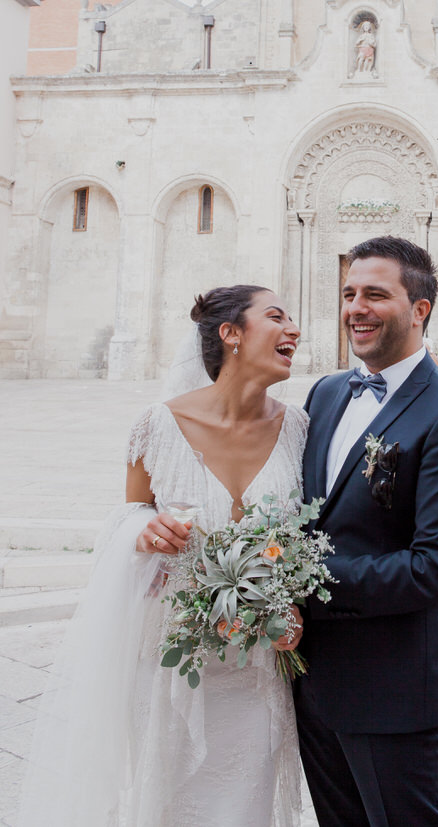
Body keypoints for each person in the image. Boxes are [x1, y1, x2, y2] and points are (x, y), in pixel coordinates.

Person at [20, 285, 307, 827]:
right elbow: (126, 519)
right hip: (175, 663)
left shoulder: (298, 429)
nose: (294, 328)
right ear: (231, 334)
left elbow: (303, 539)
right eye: (276, 317)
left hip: (259, 668)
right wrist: (144, 531)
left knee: (249, 805)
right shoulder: (156, 426)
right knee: (170, 803)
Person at [295, 236, 438, 827]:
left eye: (375, 295)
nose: (355, 306)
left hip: (392, 683)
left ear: (419, 309)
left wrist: (302, 577)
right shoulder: (327, 392)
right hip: (313, 677)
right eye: (349, 293)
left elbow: (436, 569)